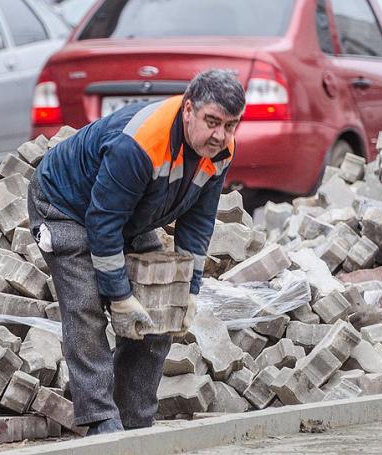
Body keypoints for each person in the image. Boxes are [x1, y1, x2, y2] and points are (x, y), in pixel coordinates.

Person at [27, 69, 246, 435]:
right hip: (63, 205)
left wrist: (189, 290)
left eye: (231, 125)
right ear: (188, 109)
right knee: (86, 307)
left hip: (129, 215)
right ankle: (100, 421)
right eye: (212, 121)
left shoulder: (219, 150)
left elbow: (197, 222)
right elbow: (102, 224)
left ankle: (134, 420)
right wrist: (120, 298)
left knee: (162, 305)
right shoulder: (140, 142)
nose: (220, 135)